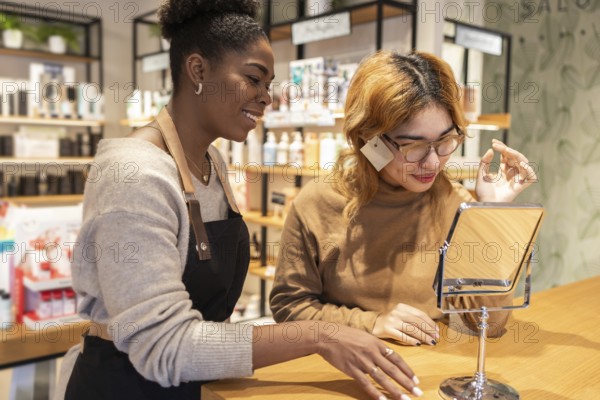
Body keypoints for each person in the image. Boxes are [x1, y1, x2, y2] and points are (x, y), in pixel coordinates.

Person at [54, 3, 421, 400]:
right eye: (253, 79)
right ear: (198, 71)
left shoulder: (212, 162)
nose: (266, 98)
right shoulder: (133, 174)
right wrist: (320, 334)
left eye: (269, 84)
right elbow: (165, 347)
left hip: (200, 387)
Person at [269, 50, 537, 346]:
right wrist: (370, 323)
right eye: (414, 147)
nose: (433, 163)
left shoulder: (452, 202)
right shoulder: (317, 203)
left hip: (426, 371)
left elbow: (488, 323)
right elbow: (289, 307)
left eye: (445, 141)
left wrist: (491, 214)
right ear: (368, 140)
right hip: (340, 372)